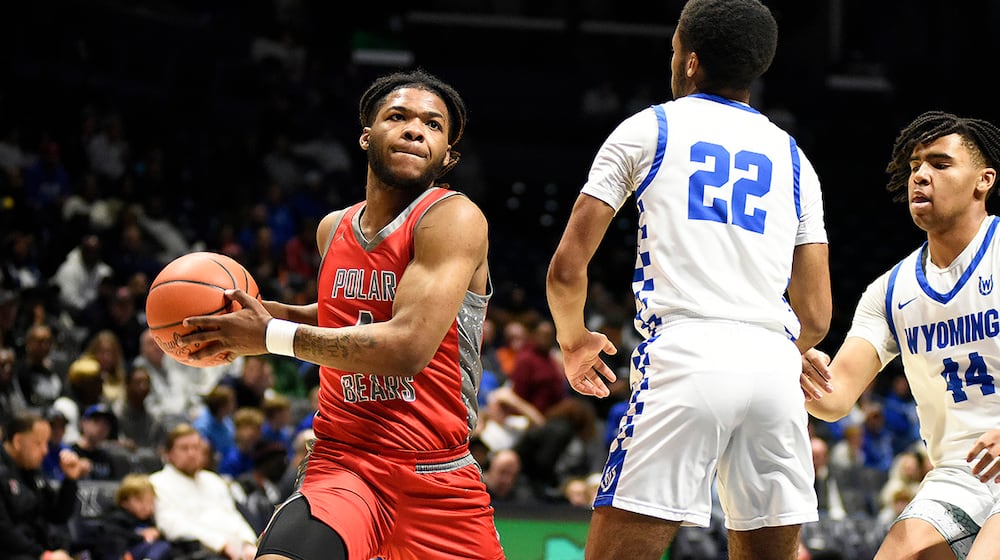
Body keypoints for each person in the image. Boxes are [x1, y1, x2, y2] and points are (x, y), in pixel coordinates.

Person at [544, 1, 831, 558]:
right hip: (775, 367)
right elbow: (817, 311)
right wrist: (786, 349)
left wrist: (573, 341)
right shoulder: (796, 159)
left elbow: (566, 266)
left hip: (686, 354)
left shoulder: (649, 127)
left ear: (691, 61)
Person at [181, 68, 505, 560]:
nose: (415, 129)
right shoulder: (334, 228)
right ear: (366, 134)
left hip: (436, 477)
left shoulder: (453, 218)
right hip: (344, 463)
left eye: (433, 125)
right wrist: (256, 315)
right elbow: (346, 314)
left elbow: (406, 346)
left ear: (448, 156)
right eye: (397, 117)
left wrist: (269, 334)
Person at [800, 111, 1000, 559]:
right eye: (914, 167)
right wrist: (794, 369)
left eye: (940, 164)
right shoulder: (891, 291)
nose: (921, 176)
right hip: (960, 474)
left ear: (983, 180)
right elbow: (835, 399)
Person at [149, 423, 258, 560]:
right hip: (199, 553)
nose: (192, 453)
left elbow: (232, 516)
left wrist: (247, 543)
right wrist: (221, 544)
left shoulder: (213, 480)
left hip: (238, 550)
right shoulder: (158, 483)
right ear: (168, 453)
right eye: (184, 448)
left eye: (196, 447)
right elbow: (172, 526)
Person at [0, 411, 90, 560]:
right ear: (18, 441)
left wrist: (69, 480)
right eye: (38, 443)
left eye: (46, 443)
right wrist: (43, 555)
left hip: (37, 550)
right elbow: (3, 531)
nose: (45, 451)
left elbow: (57, 515)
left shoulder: (32, 471)